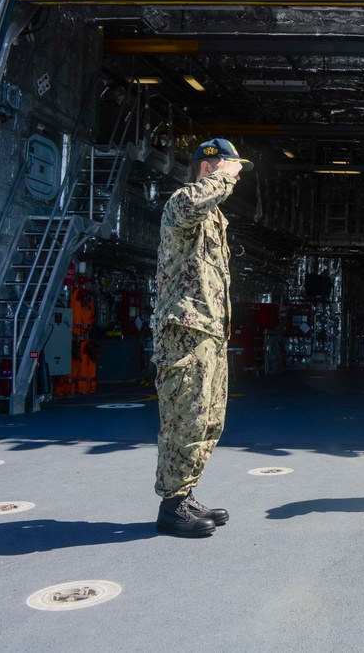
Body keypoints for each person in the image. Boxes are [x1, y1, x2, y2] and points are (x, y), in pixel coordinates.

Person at [153, 138, 253, 538]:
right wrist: (222, 180)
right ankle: (172, 506)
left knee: (208, 419)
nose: (239, 174)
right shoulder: (182, 204)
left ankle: (186, 494)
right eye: (233, 167)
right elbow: (192, 201)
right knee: (184, 418)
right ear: (210, 168)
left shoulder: (214, 218)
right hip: (185, 333)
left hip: (209, 334)